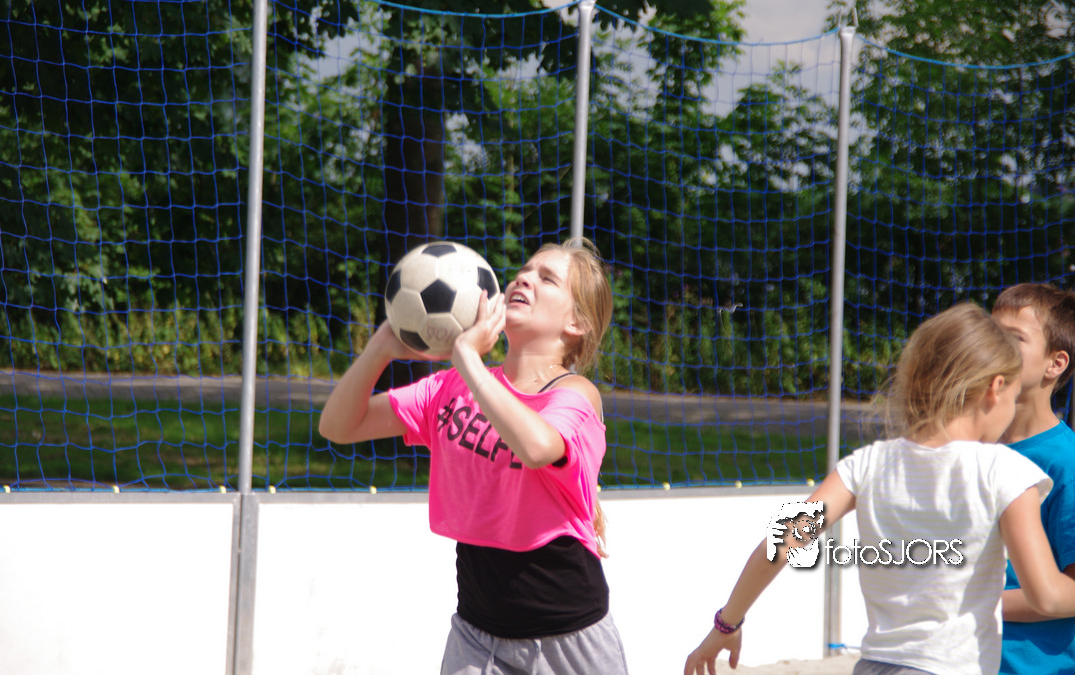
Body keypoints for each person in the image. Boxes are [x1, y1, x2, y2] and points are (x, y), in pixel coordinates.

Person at [683, 303, 1075, 675]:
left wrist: (727, 624)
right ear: (995, 388)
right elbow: (1045, 595)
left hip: (874, 665)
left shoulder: (866, 464)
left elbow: (780, 543)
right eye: (1012, 398)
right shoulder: (1005, 471)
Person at [319, 237, 629, 675]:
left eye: (547, 279)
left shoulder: (574, 393)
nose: (524, 279)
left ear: (575, 322)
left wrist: (467, 358)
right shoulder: (451, 388)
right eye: (524, 271)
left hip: (566, 640)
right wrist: (382, 347)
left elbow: (537, 447)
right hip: (476, 636)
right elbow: (338, 426)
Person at [993, 284, 1075, 675]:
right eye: (990, 334)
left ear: (1055, 364)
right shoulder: (950, 452)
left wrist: (974, 601)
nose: (994, 347)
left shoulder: (1064, 462)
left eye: (1014, 338)